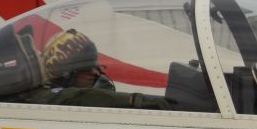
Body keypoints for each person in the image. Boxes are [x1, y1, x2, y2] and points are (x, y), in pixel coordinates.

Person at [20, 28, 169, 109]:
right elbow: (80, 96)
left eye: (94, 66)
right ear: (66, 75)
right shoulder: (46, 98)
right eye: (86, 68)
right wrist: (134, 100)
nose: (94, 72)